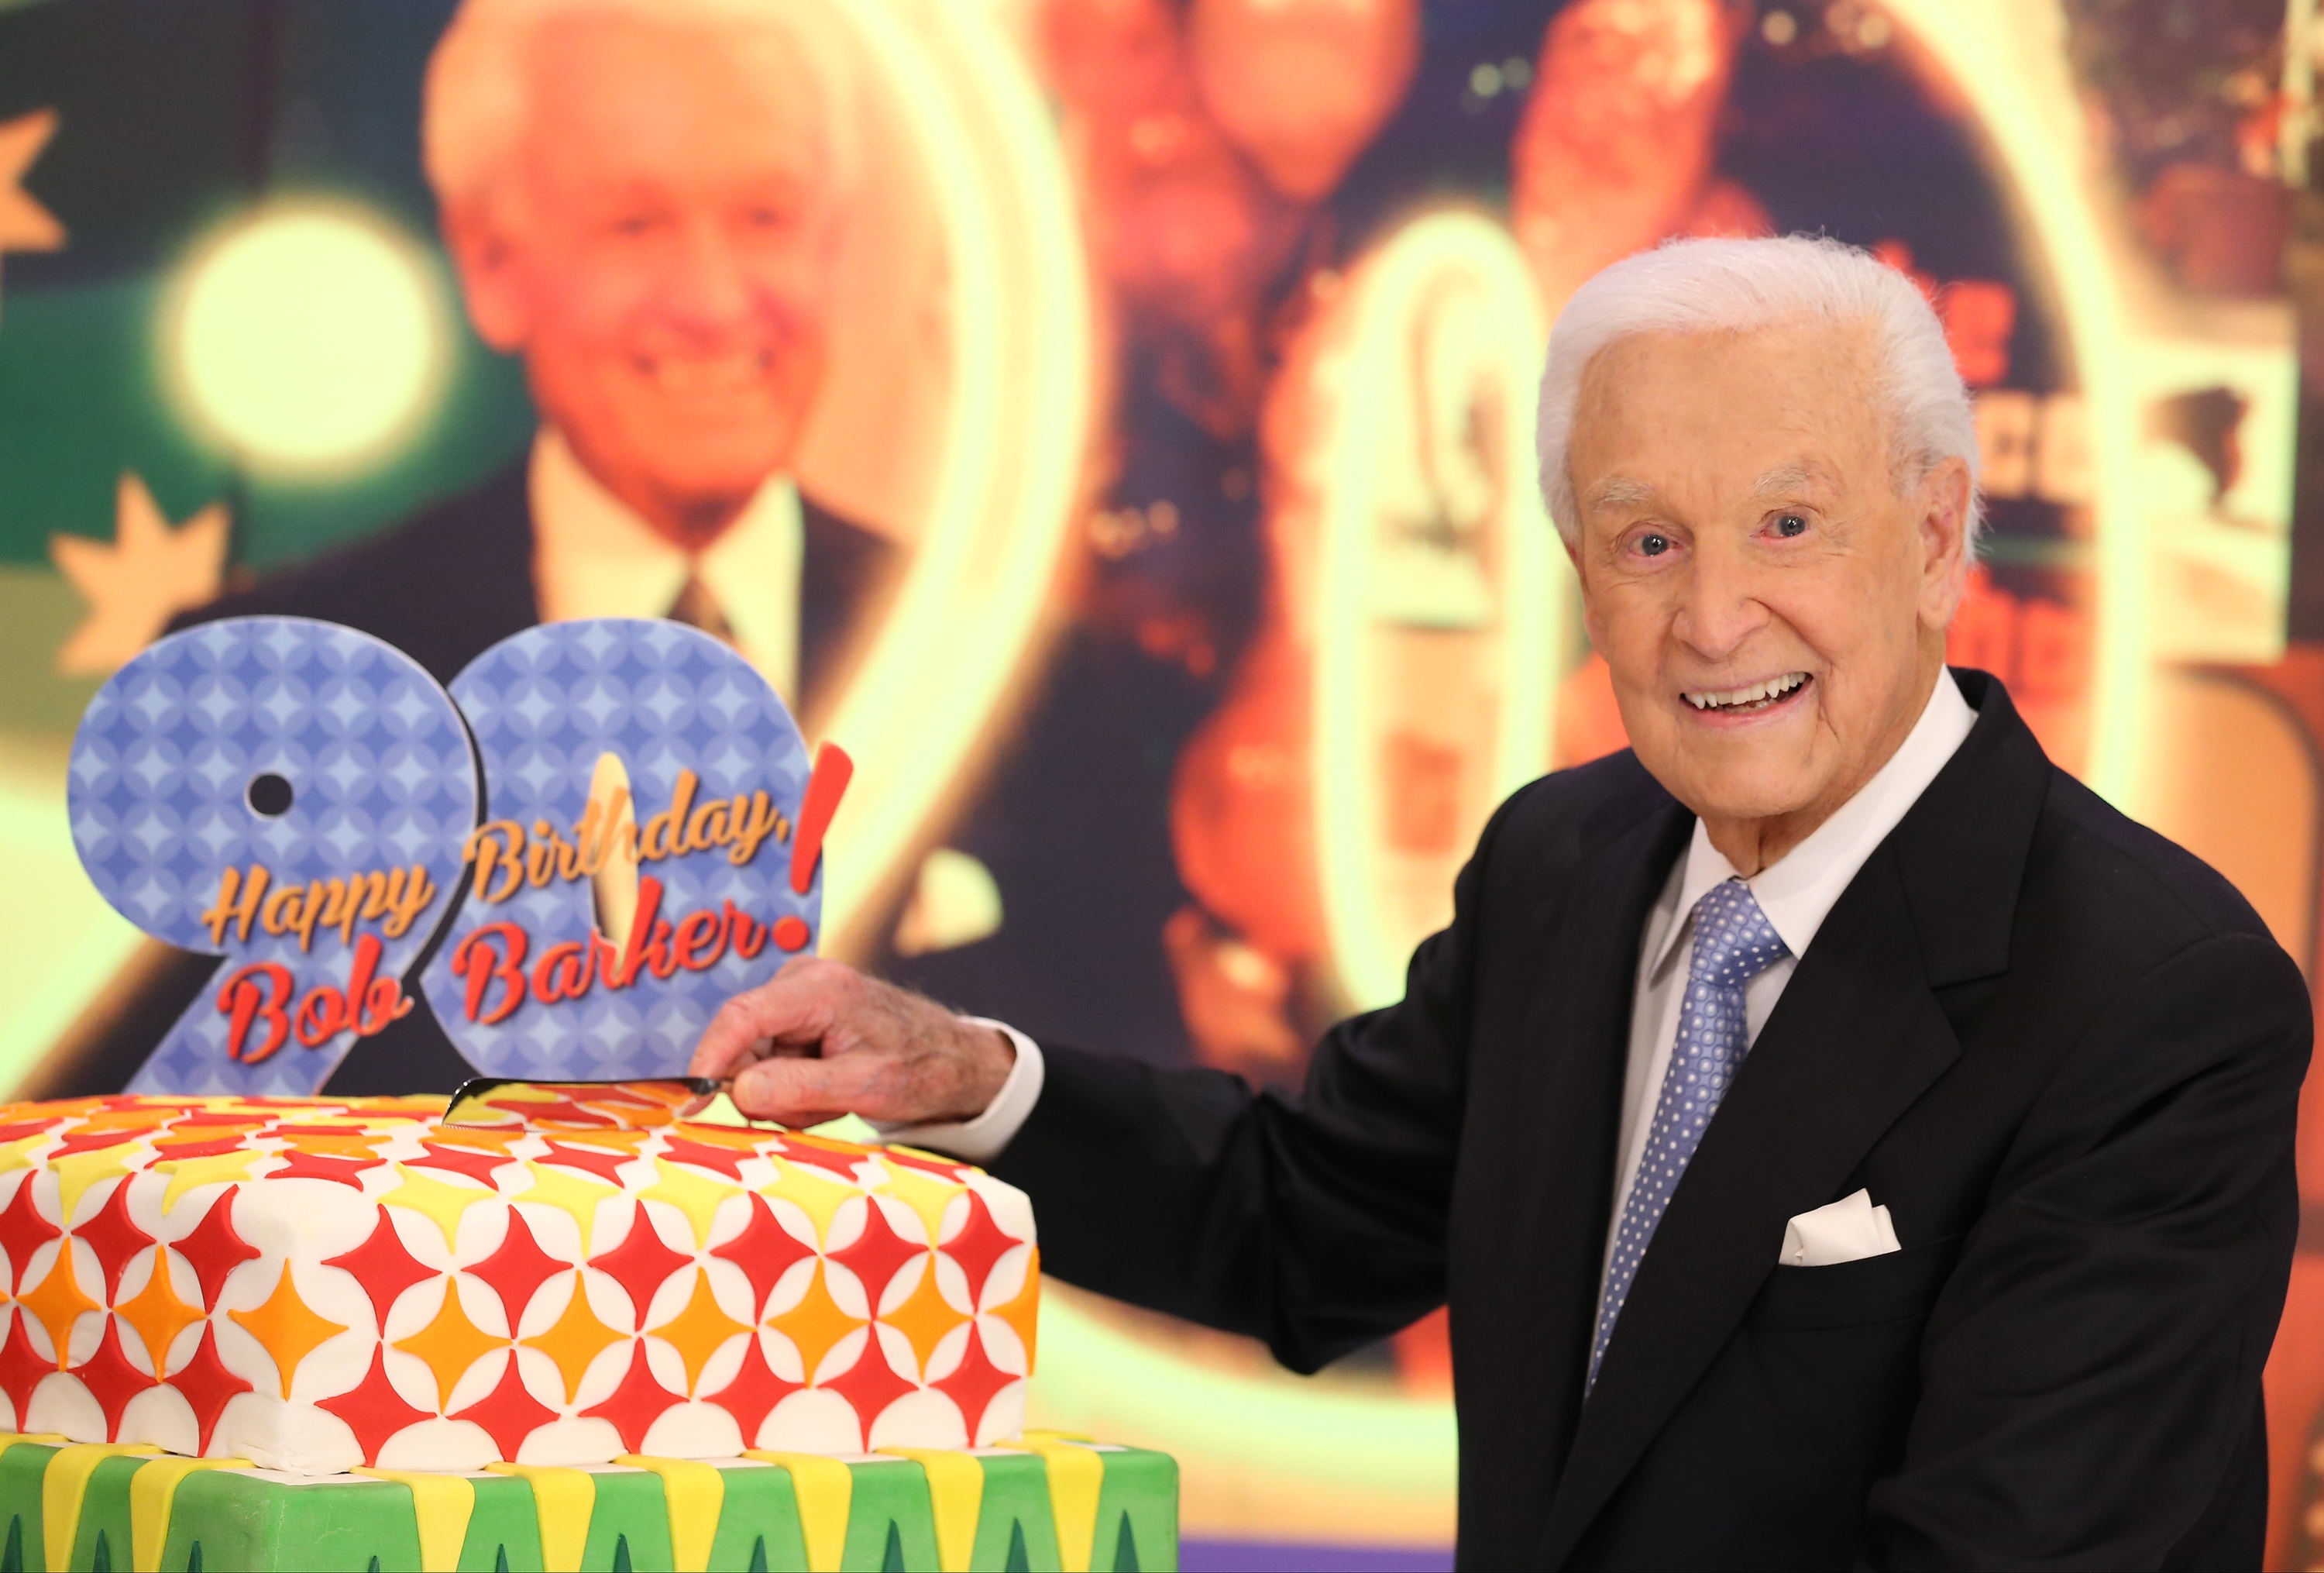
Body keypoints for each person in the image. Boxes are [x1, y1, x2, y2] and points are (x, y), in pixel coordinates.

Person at [692, 236, 2312, 1567]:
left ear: (1939, 530)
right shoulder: (1566, 862)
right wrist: (971, 1079)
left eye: (1789, 524)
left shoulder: (2152, 997)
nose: (1714, 617)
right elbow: (1302, 1224)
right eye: (1648, 540)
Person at [53, 0, 897, 1098]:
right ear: (491, 260)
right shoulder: (258, 698)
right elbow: (158, 1169)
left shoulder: (1049, 686)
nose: (713, 300)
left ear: (836, 247)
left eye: (768, 216)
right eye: (633, 225)